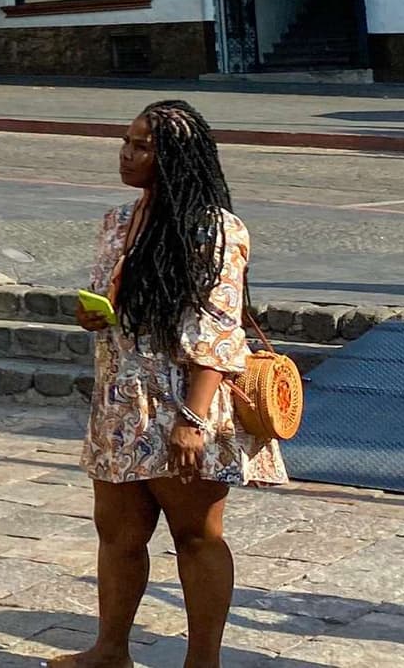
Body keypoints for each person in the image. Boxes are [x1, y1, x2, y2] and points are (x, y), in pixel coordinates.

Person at [52, 100, 285, 668]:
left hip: (183, 402)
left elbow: (216, 328)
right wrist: (98, 313)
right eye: (126, 142)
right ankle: (110, 651)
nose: (127, 155)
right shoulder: (118, 220)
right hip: (120, 404)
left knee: (196, 535)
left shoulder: (215, 231)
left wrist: (194, 421)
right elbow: (121, 304)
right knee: (117, 534)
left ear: (176, 157)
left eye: (142, 146)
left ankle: (201, 662)